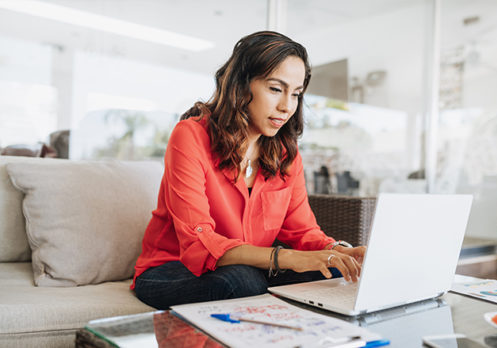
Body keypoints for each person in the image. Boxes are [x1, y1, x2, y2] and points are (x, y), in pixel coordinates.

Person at [131, 31, 366, 310]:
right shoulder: (190, 136)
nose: (287, 106)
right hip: (171, 270)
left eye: (296, 94)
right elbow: (199, 242)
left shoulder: (285, 155)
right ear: (242, 85)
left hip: (251, 268)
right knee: (243, 281)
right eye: (276, 89)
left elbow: (303, 232)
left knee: (337, 272)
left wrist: (338, 252)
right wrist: (289, 259)